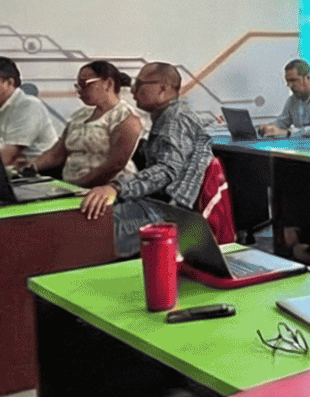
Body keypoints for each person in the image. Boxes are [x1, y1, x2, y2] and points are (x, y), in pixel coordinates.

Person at [79, 62, 212, 257]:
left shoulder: (176, 119)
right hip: (156, 204)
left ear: (163, 89)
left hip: (166, 213)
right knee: (88, 218)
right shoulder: (168, 116)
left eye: (140, 84)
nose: (133, 91)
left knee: (86, 232)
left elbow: (166, 170)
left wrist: (116, 188)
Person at [24, 61, 142, 188]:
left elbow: (114, 165)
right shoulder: (80, 116)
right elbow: (57, 154)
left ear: (108, 84)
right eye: (78, 86)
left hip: (106, 190)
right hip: (71, 187)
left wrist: (77, 186)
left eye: (85, 84)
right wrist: (28, 167)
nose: (79, 91)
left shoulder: (126, 118)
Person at [259, 59, 310, 140]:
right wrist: (268, 127)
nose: (290, 85)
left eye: (294, 80)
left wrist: (287, 133)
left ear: (307, 78)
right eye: (288, 81)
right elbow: (282, 123)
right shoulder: (292, 100)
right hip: (305, 146)